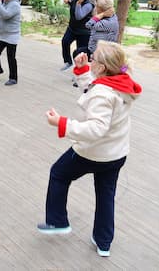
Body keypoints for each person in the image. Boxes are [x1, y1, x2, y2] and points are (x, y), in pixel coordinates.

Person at [37, 41, 142, 257]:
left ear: (102, 68)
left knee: (58, 174)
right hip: (116, 153)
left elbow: (95, 128)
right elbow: (93, 88)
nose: (90, 59)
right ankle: (104, 243)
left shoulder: (104, 92)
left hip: (93, 153)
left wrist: (61, 123)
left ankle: (57, 222)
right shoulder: (121, 83)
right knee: (106, 195)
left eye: (92, 59)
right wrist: (83, 69)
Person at [60, 0, 95, 71]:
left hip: (83, 32)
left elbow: (79, 16)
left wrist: (79, 3)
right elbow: (73, 7)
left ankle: (80, 70)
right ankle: (68, 61)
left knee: (80, 52)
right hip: (72, 28)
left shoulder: (88, 5)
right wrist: (68, 1)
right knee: (65, 42)